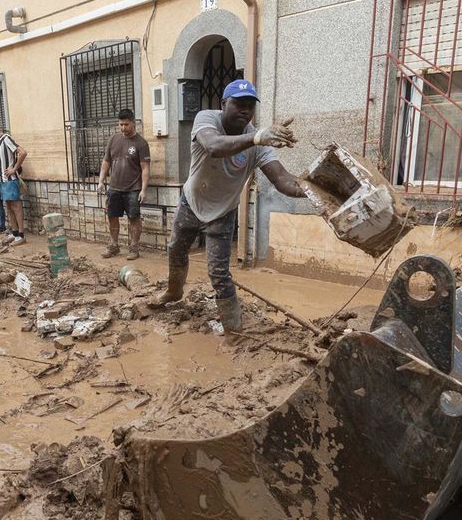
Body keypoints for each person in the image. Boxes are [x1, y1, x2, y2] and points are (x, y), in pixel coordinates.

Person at [151, 79, 306, 331]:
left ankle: (234, 330)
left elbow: (283, 180)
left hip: (223, 213)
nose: (245, 110)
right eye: (238, 104)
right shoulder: (207, 119)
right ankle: (173, 292)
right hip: (191, 202)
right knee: (176, 251)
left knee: (219, 273)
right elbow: (213, 146)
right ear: (223, 103)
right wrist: (257, 137)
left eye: (250, 106)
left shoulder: (259, 144)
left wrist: (318, 191)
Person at [95, 108, 150, 260]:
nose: (123, 128)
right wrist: (101, 181)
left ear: (133, 123)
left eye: (126, 124)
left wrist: (143, 190)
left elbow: (145, 168)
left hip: (133, 189)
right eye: (120, 125)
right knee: (112, 216)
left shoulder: (141, 143)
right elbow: (106, 162)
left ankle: (134, 247)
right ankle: (114, 245)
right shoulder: (113, 140)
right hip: (114, 187)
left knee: (134, 218)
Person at [0, 118, 27, 245]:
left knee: (16, 206)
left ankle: (21, 235)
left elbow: (22, 153)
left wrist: (14, 168)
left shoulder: (6, 139)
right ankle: (15, 233)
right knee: (9, 207)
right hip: (3, 180)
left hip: (10, 180)